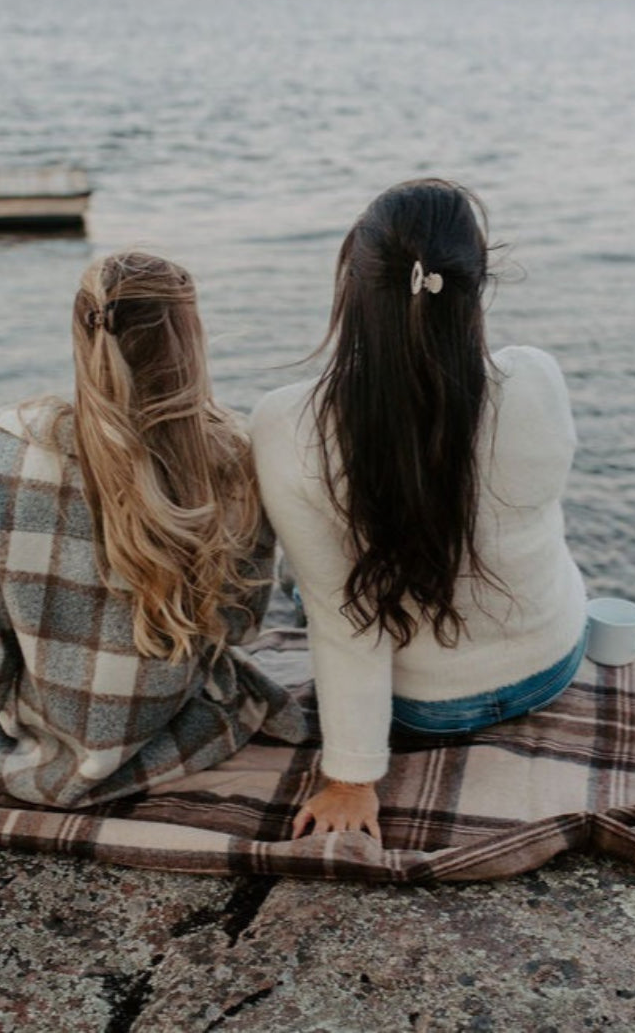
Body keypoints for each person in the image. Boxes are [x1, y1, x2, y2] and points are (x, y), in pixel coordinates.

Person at [0, 250, 307, 850]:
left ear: (84, 333)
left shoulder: (6, 453)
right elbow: (239, 624)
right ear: (190, 337)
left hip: (42, 740)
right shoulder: (235, 453)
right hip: (174, 730)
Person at [251, 179, 588, 841]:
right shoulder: (536, 377)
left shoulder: (289, 424)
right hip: (551, 665)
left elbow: (346, 620)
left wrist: (351, 779)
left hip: (428, 708)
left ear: (353, 286)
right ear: (476, 280)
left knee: (309, 583)